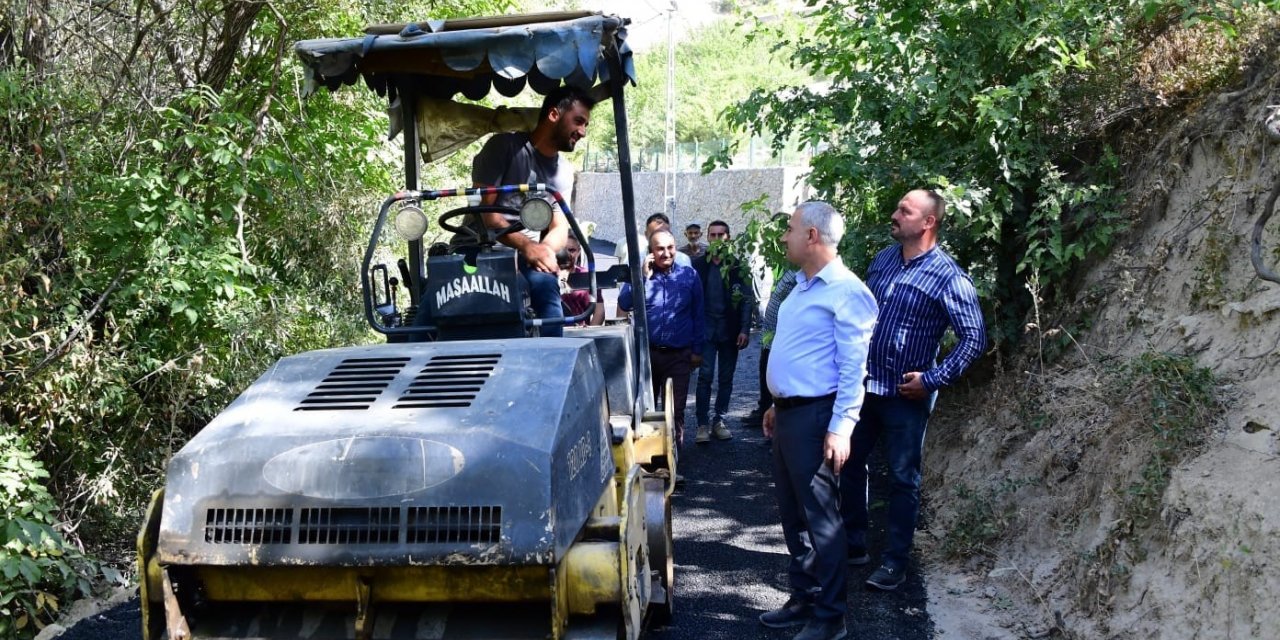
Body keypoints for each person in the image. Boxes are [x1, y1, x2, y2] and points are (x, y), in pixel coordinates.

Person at [840, 189, 986, 591]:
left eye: (904, 210)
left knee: (904, 478)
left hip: (907, 396)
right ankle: (854, 544)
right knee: (848, 462)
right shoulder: (883, 260)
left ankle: (895, 561)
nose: (894, 214)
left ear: (928, 222)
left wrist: (933, 380)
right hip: (866, 387)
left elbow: (974, 338)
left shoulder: (948, 276)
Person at [759, 201, 877, 640]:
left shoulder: (847, 291)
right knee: (793, 515)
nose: (785, 236)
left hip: (818, 419)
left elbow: (853, 369)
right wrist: (776, 401)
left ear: (811, 235)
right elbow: (803, 356)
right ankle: (804, 597)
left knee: (822, 519)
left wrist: (841, 427)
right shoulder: (801, 287)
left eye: (790, 228)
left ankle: (830, 616)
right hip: (790, 416)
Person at [467, 85, 595, 338]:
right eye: (578, 121)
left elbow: (559, 226)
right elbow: (486, 214)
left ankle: (552, 365)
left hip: (527, 259)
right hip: (475, 250)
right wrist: (527, 246)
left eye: (585, 125)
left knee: (548, 297)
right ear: (554, 115)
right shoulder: (503, 147)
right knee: (429, 307)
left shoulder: (564, 172)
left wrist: (542, 251)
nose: (582, 132)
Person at [617, 230, 704, 444]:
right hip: (647, 357)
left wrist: (697, 351)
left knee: (674, 412)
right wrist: (641, 277)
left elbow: (699, 314)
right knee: (644, 411)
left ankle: (673, 466)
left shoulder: (689, 276)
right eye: (660, 248)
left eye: (670, 247)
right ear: (650, 252)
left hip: (679, 356)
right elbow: (625, 303)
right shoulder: (640, 275)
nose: (666, 253)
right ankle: (650, 464)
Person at [692, 220, 754, 443]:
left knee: (726, 379)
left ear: (728, 238)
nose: (717, 239)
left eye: (721, 235)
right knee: (704, 378)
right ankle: (702, 424)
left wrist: (745, 328)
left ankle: (719, 420)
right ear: (707, 238)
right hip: (706, 331)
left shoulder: (738, 267)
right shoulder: (698, 266)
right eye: (713, 235)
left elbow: (748, 299)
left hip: (729, 332)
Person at [744, 267, 800, 442]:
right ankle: (765, 412)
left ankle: (776, 430)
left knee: (778, 379)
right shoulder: (791, 268)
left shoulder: (802, 274)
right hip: (770, 335)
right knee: (766, 374)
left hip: (780, 338)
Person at [614, 212, 692, 268]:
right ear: (646, 235)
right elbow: (627, 289)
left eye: (663, 233)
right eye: (654, 234)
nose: (659, 238)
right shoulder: (635, 262)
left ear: (670, 233)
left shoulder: (683, 261)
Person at [558, 236, 605, 326]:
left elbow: (599, 312)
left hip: (578, 333)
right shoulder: (547, 276)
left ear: (579, 251)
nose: (567, 254)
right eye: (563, 250)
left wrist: (588, 336)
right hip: (552, 334)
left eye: (571, 250)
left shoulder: (589, 277)